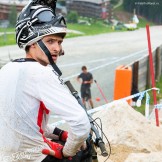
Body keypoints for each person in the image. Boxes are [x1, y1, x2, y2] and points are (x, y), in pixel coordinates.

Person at [0, 1, 91, 162]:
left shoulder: (7, 69)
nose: (57, 48)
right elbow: (81, 124)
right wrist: (66, 152)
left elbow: (24, 124)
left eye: (59, 42)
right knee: (85, 148)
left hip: (8, 156)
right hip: (30, 157)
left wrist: (61, 134)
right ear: (32, 42)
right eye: (50, 41)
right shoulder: (41, 73)